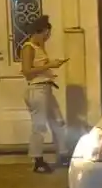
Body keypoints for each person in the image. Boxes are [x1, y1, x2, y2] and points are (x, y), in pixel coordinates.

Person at [19, 15, 69, 174]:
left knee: (58, 121)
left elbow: (40, 67)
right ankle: (37, 160)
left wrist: (52, 65)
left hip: (46, 89)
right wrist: (50, 65)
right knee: (39, 126)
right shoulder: (28, 47)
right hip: (36, 89)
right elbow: (27, 72)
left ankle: (63, 154)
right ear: (41, 32)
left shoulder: (39, 47)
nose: (48, 38)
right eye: (47, 34)